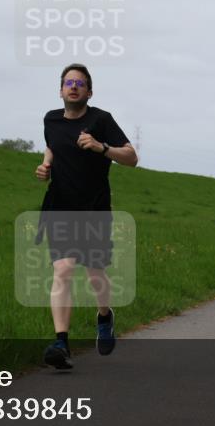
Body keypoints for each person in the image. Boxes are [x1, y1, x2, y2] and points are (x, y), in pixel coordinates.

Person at [35, 64, 138, 369]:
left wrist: (100, 146)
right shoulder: (51, 119)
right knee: (63, 270)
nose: (74, 86)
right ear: (61, 89)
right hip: (60, 205)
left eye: (80, 83)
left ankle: (104, 317)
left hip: (94, 207)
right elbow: (52, 145)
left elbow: (131, 157)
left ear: (89, 91)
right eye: (69, 82)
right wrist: (45, 165)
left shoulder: (101, 120)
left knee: (95, 274)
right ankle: (61, 343)